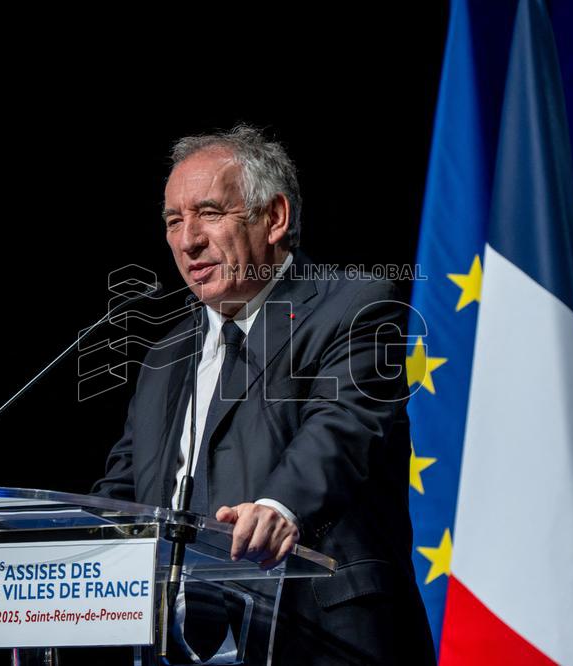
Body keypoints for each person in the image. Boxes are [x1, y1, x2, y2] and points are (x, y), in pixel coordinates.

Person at [91, 125, 436, 665]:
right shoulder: (164, 356)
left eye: (208, 212)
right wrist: (22, 549)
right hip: (172, 646)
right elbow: (121, 494)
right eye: (173, 221)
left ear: (274, 218)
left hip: (320, 638)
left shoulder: (355, 307)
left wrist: (279, 506)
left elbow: (342, 430)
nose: (188, 240)